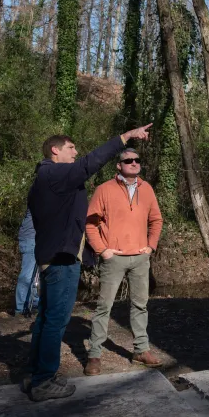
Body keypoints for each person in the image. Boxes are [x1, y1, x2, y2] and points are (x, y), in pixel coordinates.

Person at [24, 124, 152, 402]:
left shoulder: (44, 179)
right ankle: (44, 380)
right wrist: (125, 137)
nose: (76, 152)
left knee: (45, 319)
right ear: (55, 151)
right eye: (71, 148)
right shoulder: (54, 173)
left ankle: (35, 375)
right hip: (60, 260)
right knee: (56, 322)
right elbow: (90, 163)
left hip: (51, 257)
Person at [83, 148, 164, 375]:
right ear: (119, 165)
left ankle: (141, 350)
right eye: (128, 160)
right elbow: (90, 223)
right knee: (103, 307)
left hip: (140, 258)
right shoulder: (104, 190)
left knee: (140, 305)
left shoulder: (146, 189)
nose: (133, 163)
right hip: (113, 258)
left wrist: (150, 246)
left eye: (137, 160)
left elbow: (156, 220)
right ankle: (95, 355)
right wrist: (102, 250)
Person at [15, 209, 39, 316]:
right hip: (31, 239)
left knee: (36, 276)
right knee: (27, 276)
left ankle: (33, 305)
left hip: (36, 239)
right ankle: (20, 308)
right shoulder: (40, 197)